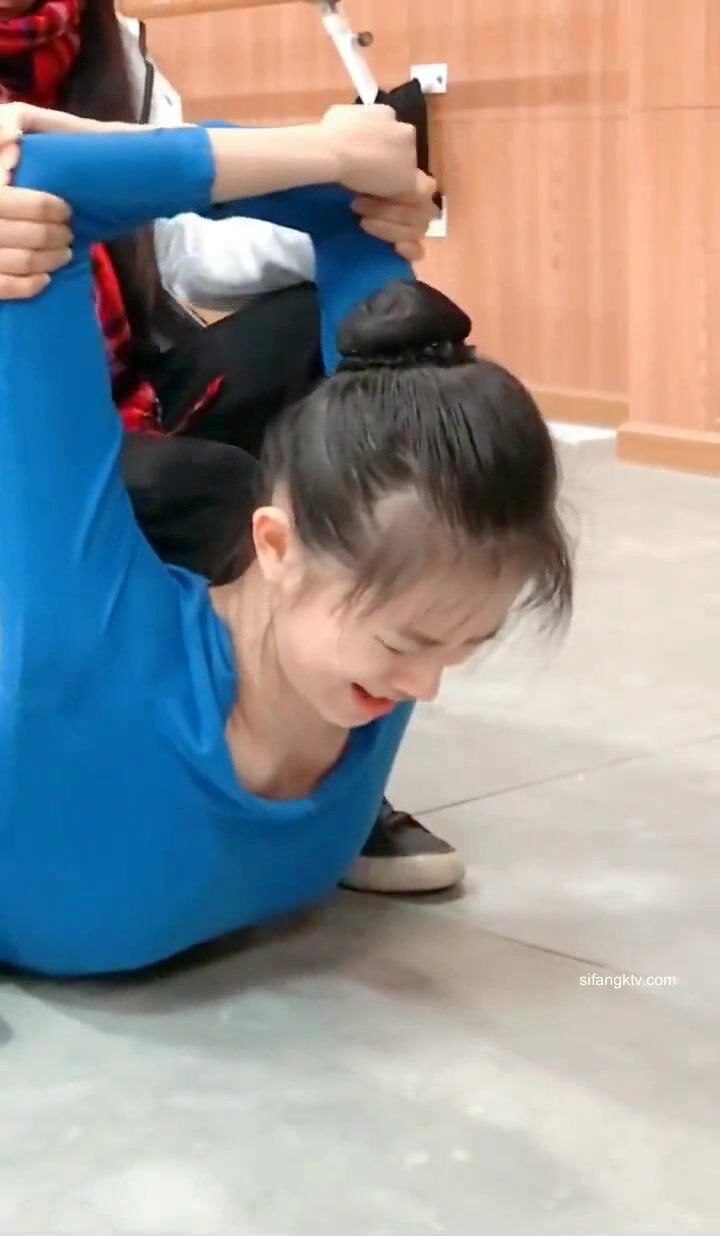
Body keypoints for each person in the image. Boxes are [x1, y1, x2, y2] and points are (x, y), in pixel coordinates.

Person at [0, 101, 571, 978]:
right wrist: (325, 149)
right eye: (409, 645)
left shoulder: (377, 655)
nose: (428, 686)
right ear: (276, 545)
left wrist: (353, 170)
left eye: (464, 646)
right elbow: (45, 190)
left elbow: (350, 210)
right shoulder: (85, 645)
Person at [0, 0, 466, 894]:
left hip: (122, 397)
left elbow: (184, 244)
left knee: (348, 340)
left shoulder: (107, 42)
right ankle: (171, 756)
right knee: (216, 493)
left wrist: (357, 213)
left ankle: (316, 738)